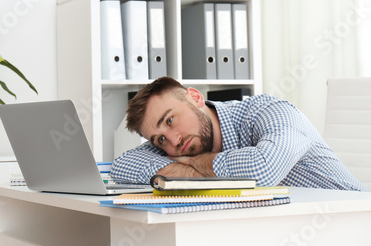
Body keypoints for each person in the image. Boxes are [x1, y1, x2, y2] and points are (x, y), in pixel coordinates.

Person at [111, 76, 367, 191]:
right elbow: (121, 167)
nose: (174, 141)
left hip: (353, 224)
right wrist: (194, 171)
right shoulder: (182, 144)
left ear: (196, 98)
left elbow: (262, 170)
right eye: (159, 140)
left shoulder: (270, 111)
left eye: (170, 120)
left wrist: (190, 170)